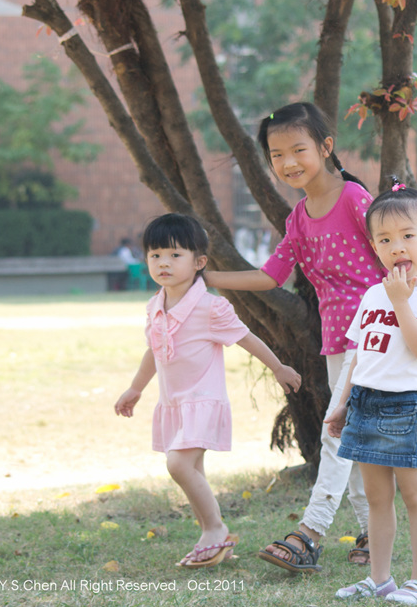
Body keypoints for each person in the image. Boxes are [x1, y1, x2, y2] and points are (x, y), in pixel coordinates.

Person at [203, 102, 384, 572]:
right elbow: (270, 276)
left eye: (298, 149)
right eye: (277, 155)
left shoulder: (354, 199)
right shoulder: (300, 217)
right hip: (337, 340)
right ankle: (372, 532)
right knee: (350, 434)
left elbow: (396, 257)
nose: (288, 162)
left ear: (325, 147)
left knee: (336, 431)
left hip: (375, 338)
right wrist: (207, 278)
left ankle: (310, 533)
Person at [114, 213, 302, 569]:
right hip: (174, 403)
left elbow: (246, 338)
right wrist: (135, 388)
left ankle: (215, 528)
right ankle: (214, 540)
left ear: (199, 262)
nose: (164, 263)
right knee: (192, 469)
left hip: (203, 401)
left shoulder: (210, 307)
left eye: (175, 255)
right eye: (155, 255)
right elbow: (155, 349)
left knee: (178, 464)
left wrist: (278, 367)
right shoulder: (155, 306)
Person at [325, 184, 417, 604]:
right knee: (376, 498)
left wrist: (402, 302)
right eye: (384, 239)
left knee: (415, 496)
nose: (396, 247)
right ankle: (379, 579)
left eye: (407, 235)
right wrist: (343, 403)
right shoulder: (372, 294)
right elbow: (361, 356)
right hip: (365, 402)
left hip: (405, 408)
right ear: (373, 246)